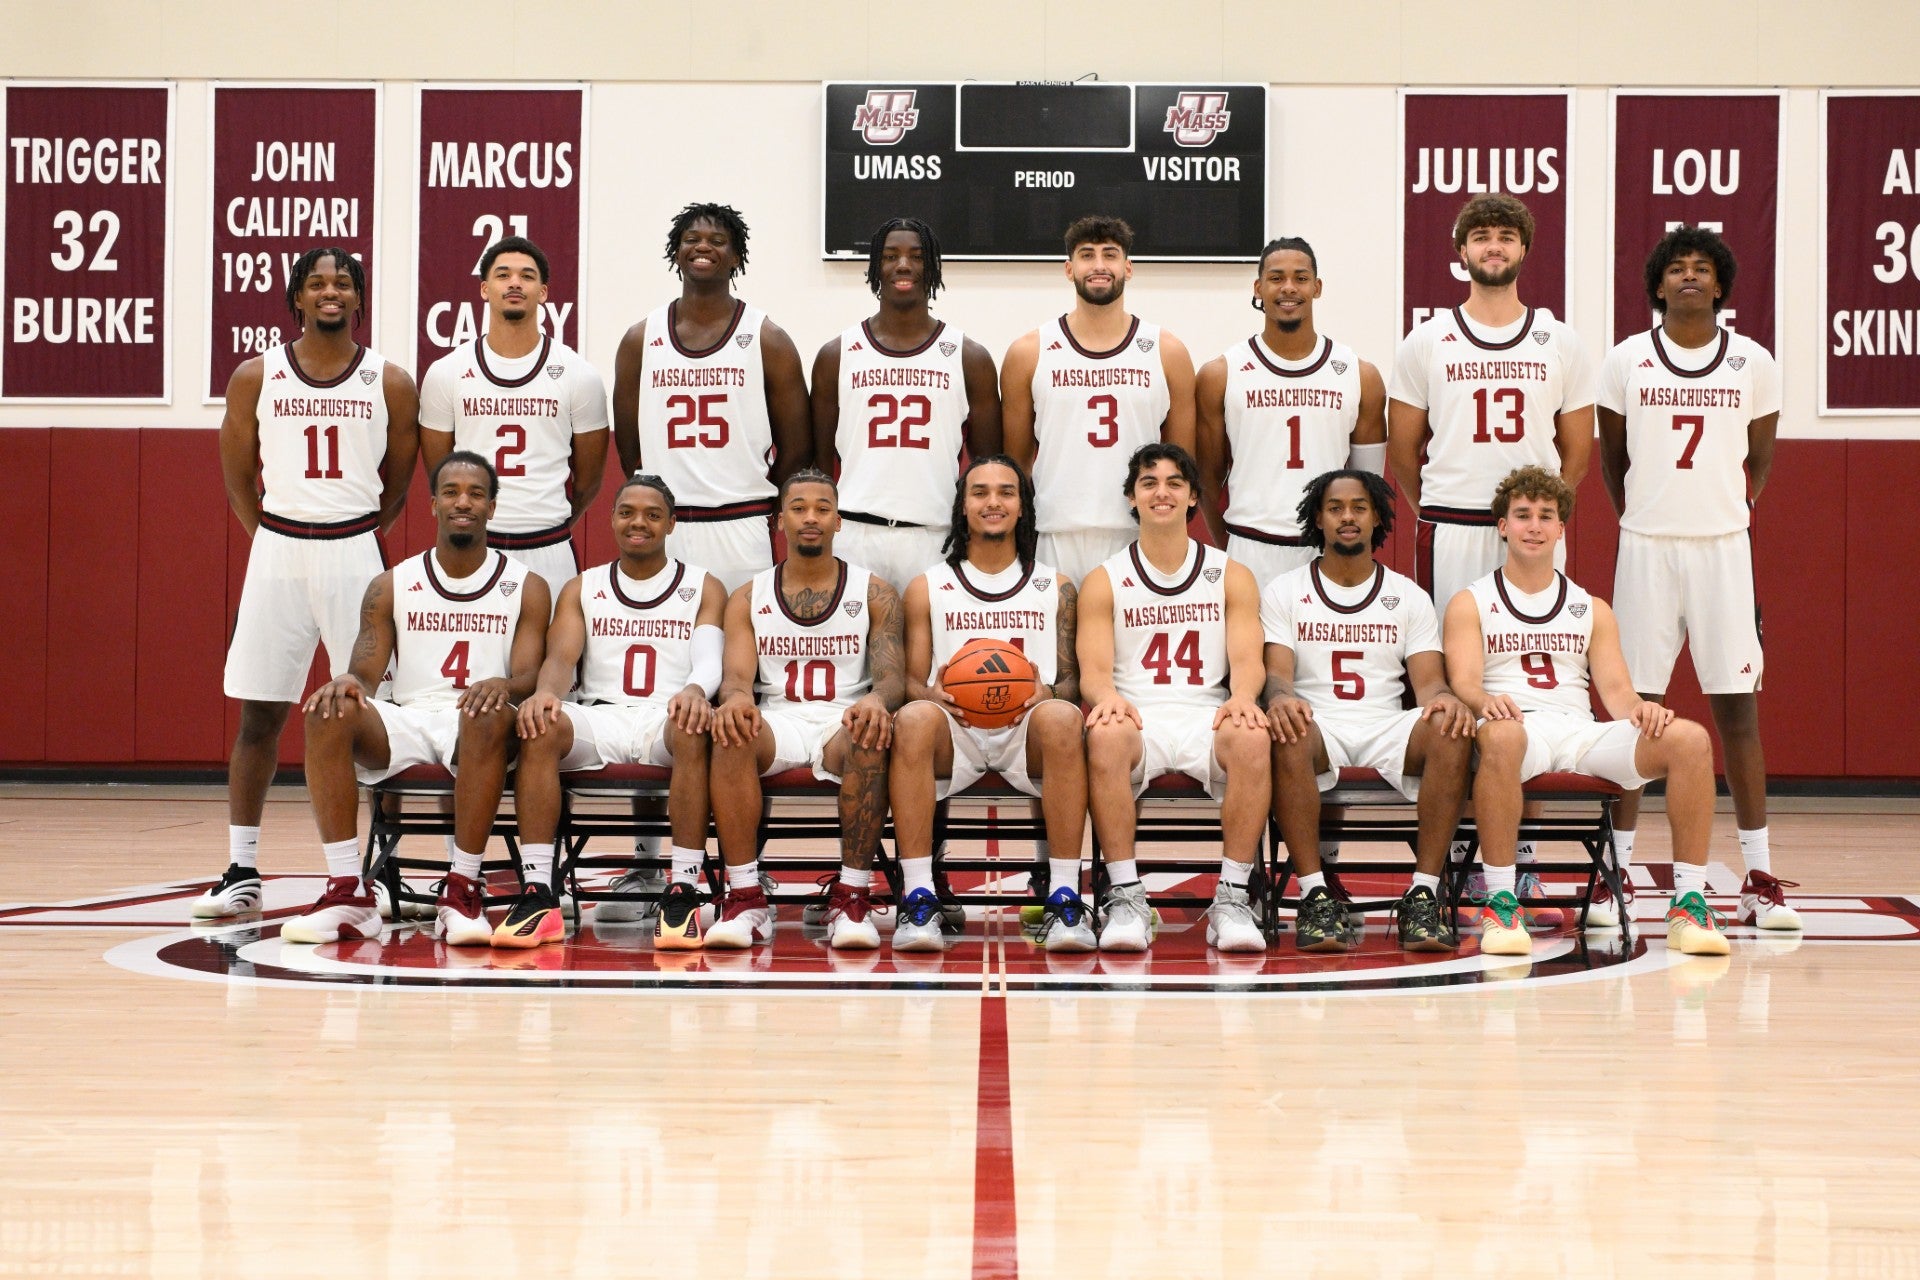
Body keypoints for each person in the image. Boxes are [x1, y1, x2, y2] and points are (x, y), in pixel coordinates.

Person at [194, 247, 418, 921]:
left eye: (342, 282)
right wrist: (274, 532)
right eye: (316, 283)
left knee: (374, 714)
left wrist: (352, 528)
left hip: (355, 548)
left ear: (358, 298)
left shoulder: (390, 379)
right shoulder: (256, 375)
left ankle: (373, 870)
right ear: (296, 298)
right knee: (260, 712)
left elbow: (399, 480)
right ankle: (241, 868)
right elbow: (238, 476)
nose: (330, 291)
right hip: (279, 549)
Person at [1387, 194, 1596, 913]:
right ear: (1461, 249)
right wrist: (1447, 506)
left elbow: (1576, 452)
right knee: (1451, 692)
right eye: (1482, 236)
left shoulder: (1561, 342)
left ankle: (1518, 855)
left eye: (1506, 236)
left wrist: (1533, 522)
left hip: (1529, 535)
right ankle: (1443, 855)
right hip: (1449, 524)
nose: (1494, 246)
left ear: (1524, 250)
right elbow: (1403, 451)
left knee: (1525, 695)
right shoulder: (1426, 341)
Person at [1595, 226, 1797, 932]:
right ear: (1656, 285)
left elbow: (1759, 461)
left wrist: (1721, 515)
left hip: (1721, 548)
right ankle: (1612, 871)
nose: (1688, 276)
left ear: (1720, 286)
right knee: (1634, 709)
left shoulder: (1753, 362)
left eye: (1701, 268)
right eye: (1675, 268)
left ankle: (1759, 874)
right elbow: (1612, 462)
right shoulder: (1624, 360)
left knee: (1737, 710)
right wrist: (1646, 516)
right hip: (1645, 546)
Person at [1440, 466, 1728, 958]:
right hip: (1513, 727)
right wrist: (1483, 702)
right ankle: (1502, 903)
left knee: (1691, 739)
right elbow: (1464, 681)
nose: (1534, 525)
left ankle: (1688, 903)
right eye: (1523, 515)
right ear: (1502, 525)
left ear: (1560, 529)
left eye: (1545, 516)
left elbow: (1616, 690)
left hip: (1578, 731)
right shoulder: (1471, 601)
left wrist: (1642, 712)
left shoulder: (1590, 607)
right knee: (1504, 737)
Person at [283, 452, 550, 945]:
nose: (462, 502)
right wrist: (347, 684)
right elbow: (365, 671)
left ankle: (463, 887)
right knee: (329, 712)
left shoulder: (527, 586)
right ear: (432, 505)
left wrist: (504, 686)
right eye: (450, 492)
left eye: (475, 493)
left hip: (481, 720)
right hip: (409, 718)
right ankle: (349, 894)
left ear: (492, 507)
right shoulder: (391, 584)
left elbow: (532, 676)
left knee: (486, 716)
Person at [1263, 469, 1475, 952]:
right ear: (1318, 518)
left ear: (1377, 515)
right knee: (1288, 726)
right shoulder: (1285, 590)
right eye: (1335, 508)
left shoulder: (1407, 596)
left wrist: (1443, 700)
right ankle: (1316, 894)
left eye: (1359, 507)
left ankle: (1424, 892)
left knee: (1450, 728)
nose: (1347, 517)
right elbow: (1277, 676)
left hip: (1385, 724)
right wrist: (1280, 698)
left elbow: (1430, 684)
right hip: (1318, 723)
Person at [512, 474, 727, 949]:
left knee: (693, 727)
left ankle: (683, 888)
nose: (639, 523)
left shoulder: (703, 585)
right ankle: (538, 889)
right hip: (600, 715)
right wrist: (546, 693)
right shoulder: (582, 587)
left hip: (665, 717)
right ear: (611, 519)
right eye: (627, 511)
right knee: (538, 727)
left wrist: (695, 689)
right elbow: (560, 660)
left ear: (671, 524)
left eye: (653, 515)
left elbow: (711, 660)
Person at [890, 456, 1089, 952]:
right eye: (980, 492)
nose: (993, 502)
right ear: (962, 506)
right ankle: (918, 900)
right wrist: (930, 695)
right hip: (955, 728)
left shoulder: (1056, 587)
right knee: (913, 718)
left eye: (1006, 492)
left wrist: (1050, 693)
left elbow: (1072, 680)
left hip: (1030, 728)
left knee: (1065, 716)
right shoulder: (928, 587)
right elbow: (911, 682)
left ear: (1023, 507)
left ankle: (1065, 898)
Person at [1077, 443, 1270, 952]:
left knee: (1251, 734)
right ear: (1131, 499)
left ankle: (1232, 897)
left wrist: (1245, 696)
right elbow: (1093, 670)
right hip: (1137, 716)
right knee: (1106, 730)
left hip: (1206, 711)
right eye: (1148, 483)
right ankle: (1124, 894)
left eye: (1174, 483)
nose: (1161, 492)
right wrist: (1106, 697)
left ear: (1191, 498)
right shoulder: (1105, 579)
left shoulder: (1230, 573)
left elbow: (1248, 659)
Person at [704, 470, 906, 950]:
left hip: (845, 721)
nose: (810, 517)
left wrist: (878, 699)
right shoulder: (749, 597)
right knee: (729, 730)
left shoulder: (874, 592)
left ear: (839, 521)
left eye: (822, 508)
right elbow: (735, 680)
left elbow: (893, 679)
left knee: (872, 731)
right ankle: (746, 897)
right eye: (798, 508)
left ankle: (852, 897)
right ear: (778, 520)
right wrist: (734, 701)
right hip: (779, 721)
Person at [613, 202, 813, 594]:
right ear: (676, 251)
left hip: (740, 524)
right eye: (692, 239)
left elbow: (798, 444)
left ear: (736, 255)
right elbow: (628, 447)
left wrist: (761, 500)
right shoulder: (641, 338)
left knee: (740, 650)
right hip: (666, 524)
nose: (703, 247)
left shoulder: (766, 337)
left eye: (717, 241)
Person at [1001, 216, 1197, 585]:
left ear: (1128, 267)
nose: (1099, 265)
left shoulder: (1166, 351)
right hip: (1055, 532)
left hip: (1137, 531)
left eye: (1110, 254)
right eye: (1087, 255)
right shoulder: (1030, 352)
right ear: (1068, 268)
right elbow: (1016, 462)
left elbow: (1182, 462)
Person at [812, 217, 1002, 590]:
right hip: (855, 531)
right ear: (874, 267)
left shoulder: (969, 357)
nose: (903, 265)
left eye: (916, 256)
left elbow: (987, 465)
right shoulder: (837, 354)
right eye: (890, 256)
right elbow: (820, 464)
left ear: (932, 266)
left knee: (933, 649)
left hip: (934, 535)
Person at [419, 235, 608, 598]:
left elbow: (589, 480)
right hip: (475, 546)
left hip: (548, 546)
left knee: (551, 657)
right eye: (503, 275)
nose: (515, 283)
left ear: (544, 292)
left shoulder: (578, 374)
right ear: (485, 290)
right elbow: (439, 469)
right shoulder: (448, 372)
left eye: (527, 276)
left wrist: (546, 517)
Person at [1196, 237, 1388, 589]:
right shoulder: (1221, 374)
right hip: (1249, 546)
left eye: (1300, 278)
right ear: (1258, 287)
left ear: (1317, 287)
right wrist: (1231, 548)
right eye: (1276, 277)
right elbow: (1208, 481)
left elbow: (1367, 488)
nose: (1288, 288)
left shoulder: (1360, 376)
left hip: (1326, 551)